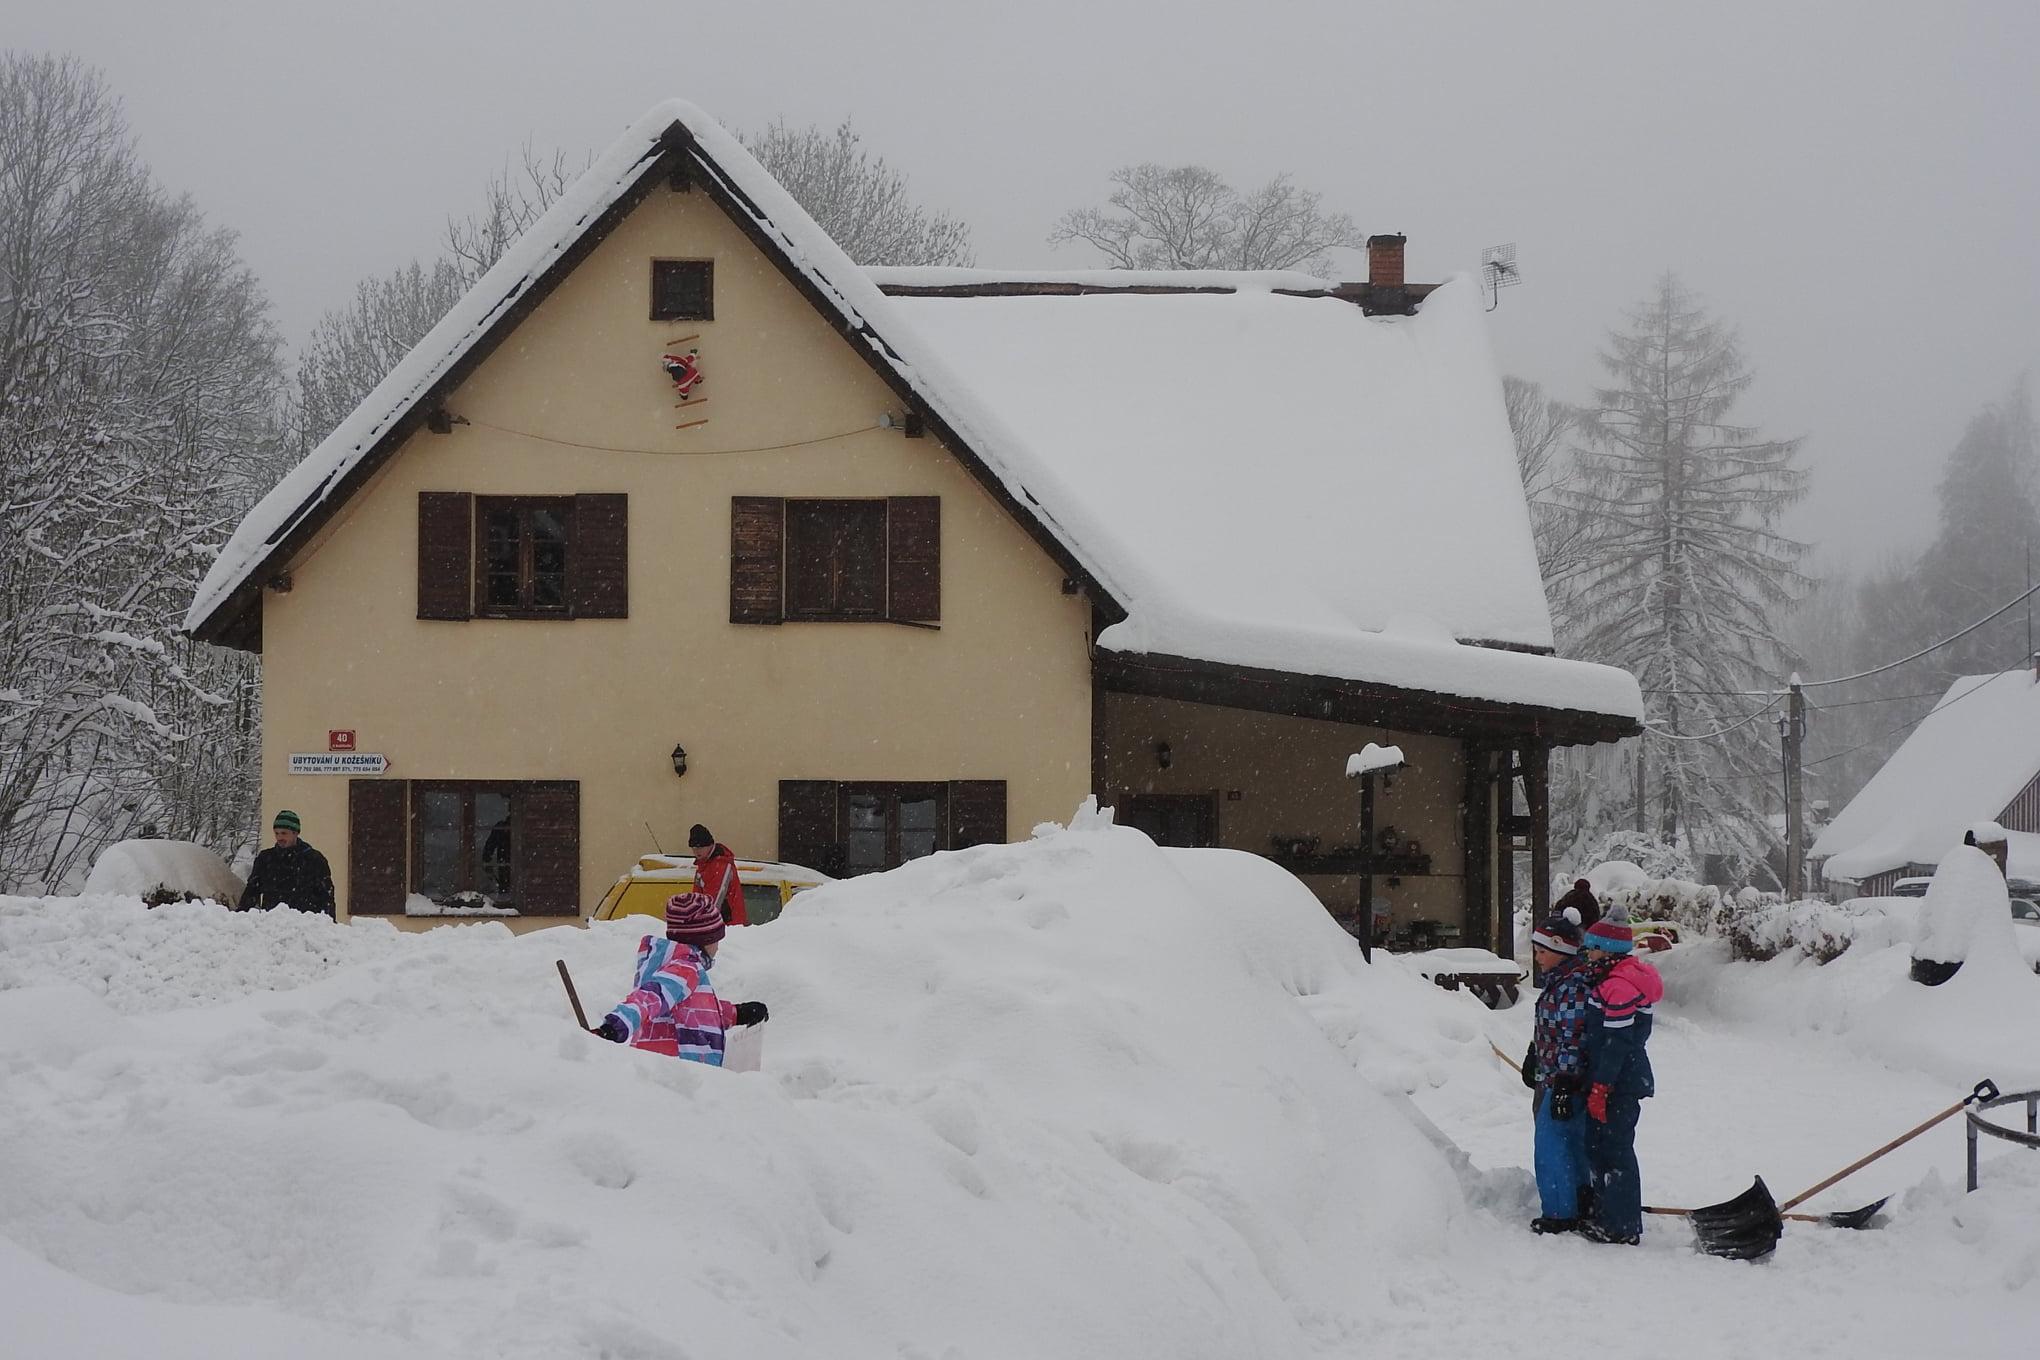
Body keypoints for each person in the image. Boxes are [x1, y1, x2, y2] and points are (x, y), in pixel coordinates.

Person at [593, 890, 768, 1064]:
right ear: (705, 940)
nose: (718, 947)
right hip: (675, 1067)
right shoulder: (685, 968)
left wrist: (737, 1013)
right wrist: (615, 1026)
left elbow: (693, 1015)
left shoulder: (678, 968)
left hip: (668, 1066)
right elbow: (651, 996)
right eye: (717, 939)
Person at [1577, 907, 1665, 1245]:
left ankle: (1622, 1225)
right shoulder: (1611, 979)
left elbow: (1617, 1044)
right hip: (1612, 1078)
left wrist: (1602, 1087)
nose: (1588, 953)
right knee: (1598, 1146)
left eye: (1592, 948)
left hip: (1620, 1082)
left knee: (1615, 1150)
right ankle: (1607, 1212)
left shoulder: (1619, 986)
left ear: (1607, 951)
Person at [1521, 906, 1595, 1234]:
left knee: (1551, 1144)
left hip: (1563, 1080)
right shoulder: (1559, 981)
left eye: (1541, 951)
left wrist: (1564, 1079)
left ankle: (1560, 1211)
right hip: (1554, 1076)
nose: (1536, 958)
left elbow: (1573, 1037)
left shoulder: (1573, 986)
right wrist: (1534, 1054)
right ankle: (1581, 1197)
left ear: (1560, 949)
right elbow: (1549, 1028)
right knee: (1570, 1140)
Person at [237, 810, 335, 917]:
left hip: (305, 923)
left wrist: (329, 923)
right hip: (272, 922)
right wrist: (240, 918)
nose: (279, 838)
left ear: (295, 833)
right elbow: (251, 892)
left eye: (284, 833)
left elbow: (327, 897)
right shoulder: (265, 859)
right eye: (276, 833)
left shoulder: (314, 860)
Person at [688, 823, 745, 926]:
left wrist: (699, 923)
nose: (696, 851)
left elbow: (715, 902)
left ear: (710, 845)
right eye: (693, 848)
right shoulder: (703, 865)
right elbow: (696, 896)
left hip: (729, 925)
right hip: (716, 924)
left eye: (700, 847)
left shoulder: (721, 866)